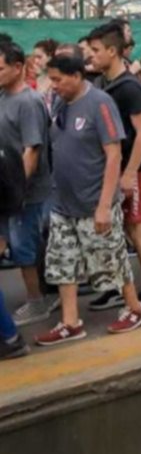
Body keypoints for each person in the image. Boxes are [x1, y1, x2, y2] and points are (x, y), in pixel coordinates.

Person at [37, 54, 141, 345]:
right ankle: (70, 322)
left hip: (94, 201)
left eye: (59, 79)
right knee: (62, 263)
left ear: (76, 75)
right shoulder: (61, 103)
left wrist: (103, 206)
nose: (54, 85)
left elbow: (114, 154)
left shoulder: (100, 103)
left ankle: (134, 307)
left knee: (110, 258)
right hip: (64, 203)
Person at [86, 23, 141, 311]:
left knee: (137, 226)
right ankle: (121, 287)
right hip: (117, 168)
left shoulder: (130, 87)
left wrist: (130, 173)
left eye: (95, 50)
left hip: (136, 168)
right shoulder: (105, 82)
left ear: (112, 51)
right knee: (125, 230)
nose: (91, 56)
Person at [0, 41, 55, 326]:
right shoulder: (3, 97)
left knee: (24, 248)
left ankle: (37, 301)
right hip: (5, 190)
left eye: (0, 68)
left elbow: (31, 151)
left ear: (19, 68)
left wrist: (16, 190)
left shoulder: (29, 102)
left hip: (26, 193)